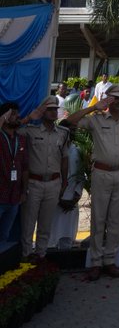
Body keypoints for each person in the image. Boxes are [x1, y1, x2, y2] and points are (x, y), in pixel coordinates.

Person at [63, 84, 119, 279]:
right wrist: (93, 107)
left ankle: (110, 260)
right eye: (115, 99)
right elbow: (67, 123)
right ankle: (96, 262)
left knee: (117, 218)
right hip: (101, 173)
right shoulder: (95, 120)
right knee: (99, 218)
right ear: (108, 101)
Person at [19, 96, 69, 258]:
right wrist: (28, 118)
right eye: (50, 109)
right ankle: (26, 257)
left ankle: (41, 256)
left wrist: (64, 182)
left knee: (45, 225)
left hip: (53, 182)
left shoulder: (63, 133)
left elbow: (64, 158)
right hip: (34, 183)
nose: (54, 112)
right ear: (42, 111)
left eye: (55, 109)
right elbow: (10, 130)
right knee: (28, 225)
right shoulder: (31, 131)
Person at [0, 102, 28, 243]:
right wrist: (3, 118)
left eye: (17, 113)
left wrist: (24, 191)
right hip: (1, 194)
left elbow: (24, 167)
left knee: (4, 236)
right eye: (13, 114)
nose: (18, 116)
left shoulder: (21, 139)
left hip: (14, 197)